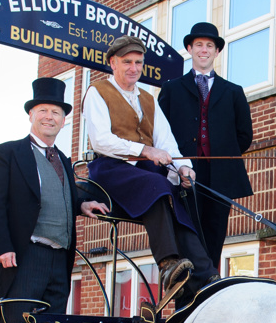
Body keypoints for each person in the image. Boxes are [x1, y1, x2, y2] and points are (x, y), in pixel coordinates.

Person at [82, 35, 218, 307]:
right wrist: (146, 151)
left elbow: (165, 140)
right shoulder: (97, 92)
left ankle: (206, 275)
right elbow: (101, 140)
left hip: (142, 170)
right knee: (156, 187)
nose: (133, 68)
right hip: (108, 167)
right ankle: (168, 265)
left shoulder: (147, 98)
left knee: (177, 195)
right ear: (113, 63)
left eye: (138, 63)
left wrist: (183, 168)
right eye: (127, 62)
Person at [0, 77, 109, 323]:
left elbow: (55, 195)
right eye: (42, 110)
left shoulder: (63, 159)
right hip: (26, 254)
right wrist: (3, 247)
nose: (49, 117)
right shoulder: (7, 153)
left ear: (63, 121)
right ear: (31, 115)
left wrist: (80, 205)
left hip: (60, 259)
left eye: (56, 112)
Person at [158, 21, 254, 269]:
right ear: (190, 49)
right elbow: (159, 133)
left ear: (217, 51)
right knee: (187, 237)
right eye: (198, 44)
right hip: (182, 174)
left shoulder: (233, 91)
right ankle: (185, 295)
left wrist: (220, 155)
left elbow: (244, 135)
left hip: (220, 176)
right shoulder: (171, 89)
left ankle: (208, 289)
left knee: (214, 237)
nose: (204, 50)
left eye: (209, 45)